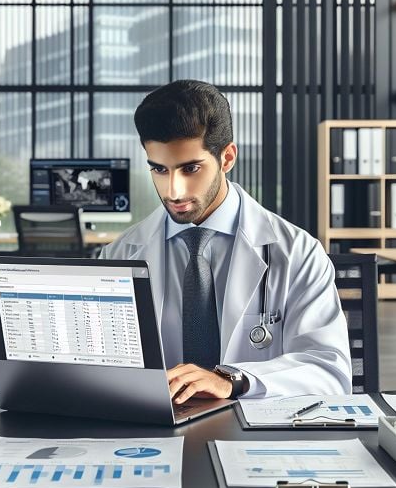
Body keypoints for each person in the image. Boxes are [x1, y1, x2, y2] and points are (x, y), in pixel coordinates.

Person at [99, 79, 352, 404]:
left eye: (190, 168)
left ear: (227, 157)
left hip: (253, 433)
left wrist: (232, 380)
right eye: (160, 169)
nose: (173, 191)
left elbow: (329, 372)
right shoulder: (120, 255)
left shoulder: (298, 253)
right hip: (155, 434)